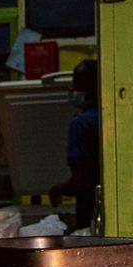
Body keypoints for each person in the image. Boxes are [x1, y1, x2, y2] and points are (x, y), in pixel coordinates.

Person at [49, 59, 100, 230]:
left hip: (91, 210)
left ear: (92, 87)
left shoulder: (81, 124)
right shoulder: (112, 118)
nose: (71, 88)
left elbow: (82, 180)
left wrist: (57, 190)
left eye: (77, 82)